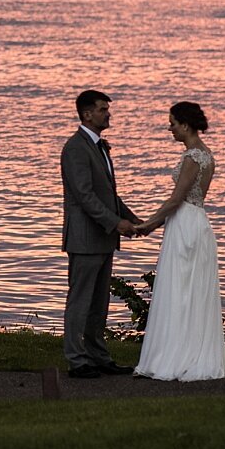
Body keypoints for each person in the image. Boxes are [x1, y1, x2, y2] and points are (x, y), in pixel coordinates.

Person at [132, 100, 225, 381]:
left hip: (185, 225)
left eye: (172, 122)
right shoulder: (207, 155)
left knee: (180, 289)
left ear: (185, 125)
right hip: (196, 222)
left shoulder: (192, 157)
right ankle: (189, 349)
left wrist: (148, 223)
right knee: (191, 290)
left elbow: (176, 199)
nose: (169, 127)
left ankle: (176, 356)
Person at [60, 88, 142, 378]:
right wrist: (116, 223)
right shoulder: (75, 148)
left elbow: (107, 194)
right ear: (86, 114)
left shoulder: (99, 147)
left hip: (103, 237)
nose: (108, 114)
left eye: (107, 109)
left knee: (99, 304)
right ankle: (76, 359)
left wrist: (132, 218)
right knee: (80, 301)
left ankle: (98, 356)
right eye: (103, 109)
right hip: (84, 238)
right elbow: (84, 196)